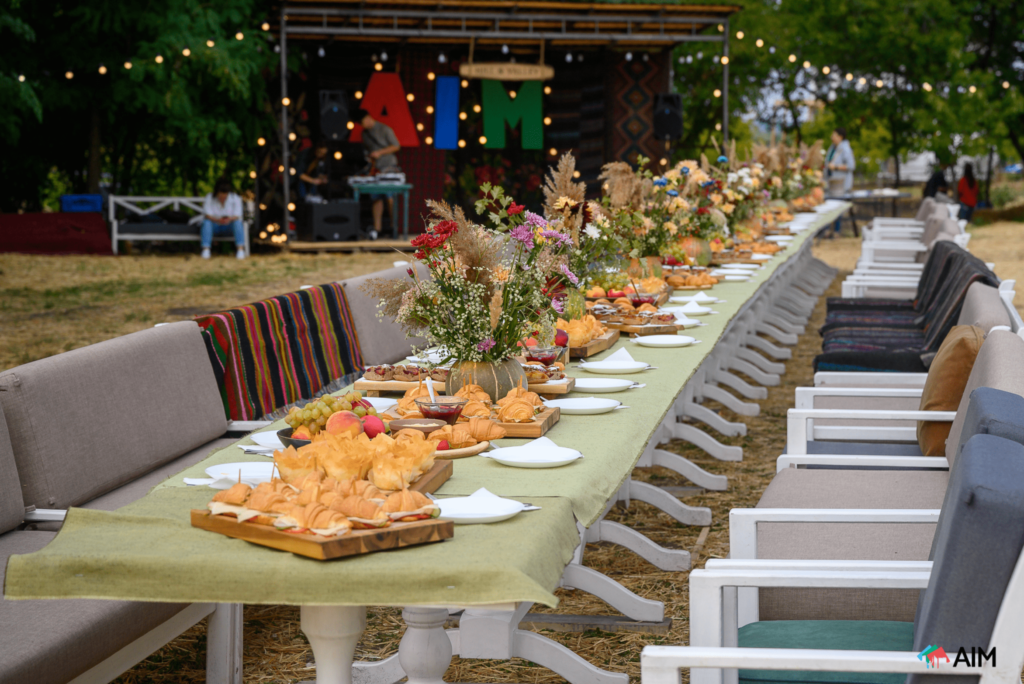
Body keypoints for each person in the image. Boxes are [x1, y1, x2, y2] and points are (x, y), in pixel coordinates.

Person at [355, 108, 401, 239]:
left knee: (390, 198)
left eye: (363, 122)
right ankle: (377, 229)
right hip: (375, 169)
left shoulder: (384, 129)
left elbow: (396, 146)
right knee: (376, 198)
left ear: (368, 117)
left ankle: (394, 228)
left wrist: (380, 153)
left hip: (389, 168)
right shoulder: (364, 134)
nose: (363, 125)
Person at [200, 178, 246, 260]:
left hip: (229, 226)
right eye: (220, 196)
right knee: (206, 223)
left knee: (238, 223)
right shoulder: (209, 197)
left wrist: (228, 219)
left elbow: (237, 215)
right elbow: (207, 215)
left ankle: (240, 250)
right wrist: (217, 220)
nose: (223, 198)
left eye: (225, 196)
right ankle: (206, 249)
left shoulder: (235, 198)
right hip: (214, 226)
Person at [825, 127, 856, 236]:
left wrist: (836, 167)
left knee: (838, 208)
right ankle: (828, 230)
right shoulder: (832, 148)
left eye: (834, 135)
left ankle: (836, 231)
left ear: (840, 137)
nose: (831, 137)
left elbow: (851, 166)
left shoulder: (845, 149)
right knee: (829, 207)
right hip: (831, 184)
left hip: (841, 185)